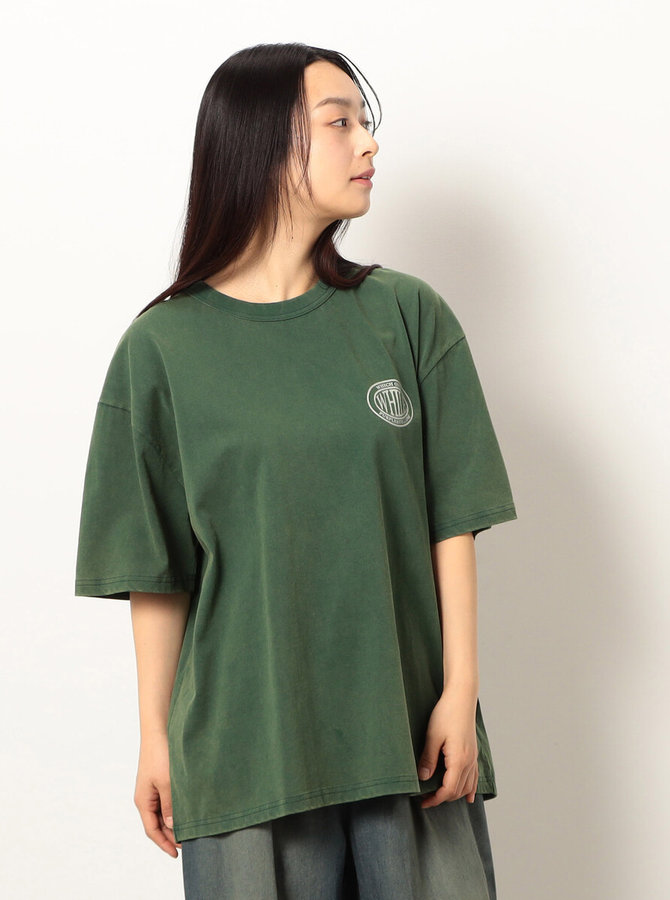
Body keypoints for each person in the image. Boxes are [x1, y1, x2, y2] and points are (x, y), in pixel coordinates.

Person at [74, 41, 517, 899]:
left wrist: (460, 691)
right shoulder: (161, 350)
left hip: (405, 740)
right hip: (244, 756)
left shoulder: (406, 317)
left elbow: (452, 520)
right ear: (262, 144)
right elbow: (156, 573)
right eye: (340, 122)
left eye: (366, 123)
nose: (369, 143)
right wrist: (155, 738)